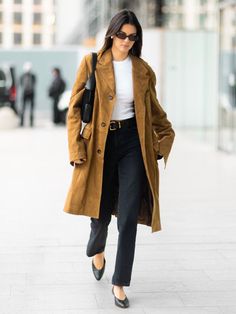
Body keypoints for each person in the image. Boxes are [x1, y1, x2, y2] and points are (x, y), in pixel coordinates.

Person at [63, 9, 175, 309]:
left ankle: (120, 282)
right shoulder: (92, 63)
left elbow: (154, 111)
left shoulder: (143, 70)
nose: (127, 41)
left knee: (127, 216)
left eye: (133, 36)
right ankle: (97, 249)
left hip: (132, 144)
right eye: (122, 34)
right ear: (112, 33)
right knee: (99, 210)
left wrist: (163, 142)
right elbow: (74, 110)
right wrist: (76, 149)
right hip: (100, 142)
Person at [19, 62, 36, 127]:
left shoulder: (33, 76)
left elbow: (34, 83)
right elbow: (21, 84)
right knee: (23, 108)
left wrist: (30, 90)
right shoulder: (22, 76)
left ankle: (31, 123)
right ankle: (21, 123)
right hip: (24, 93)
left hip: (31, 94)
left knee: (31, 109)